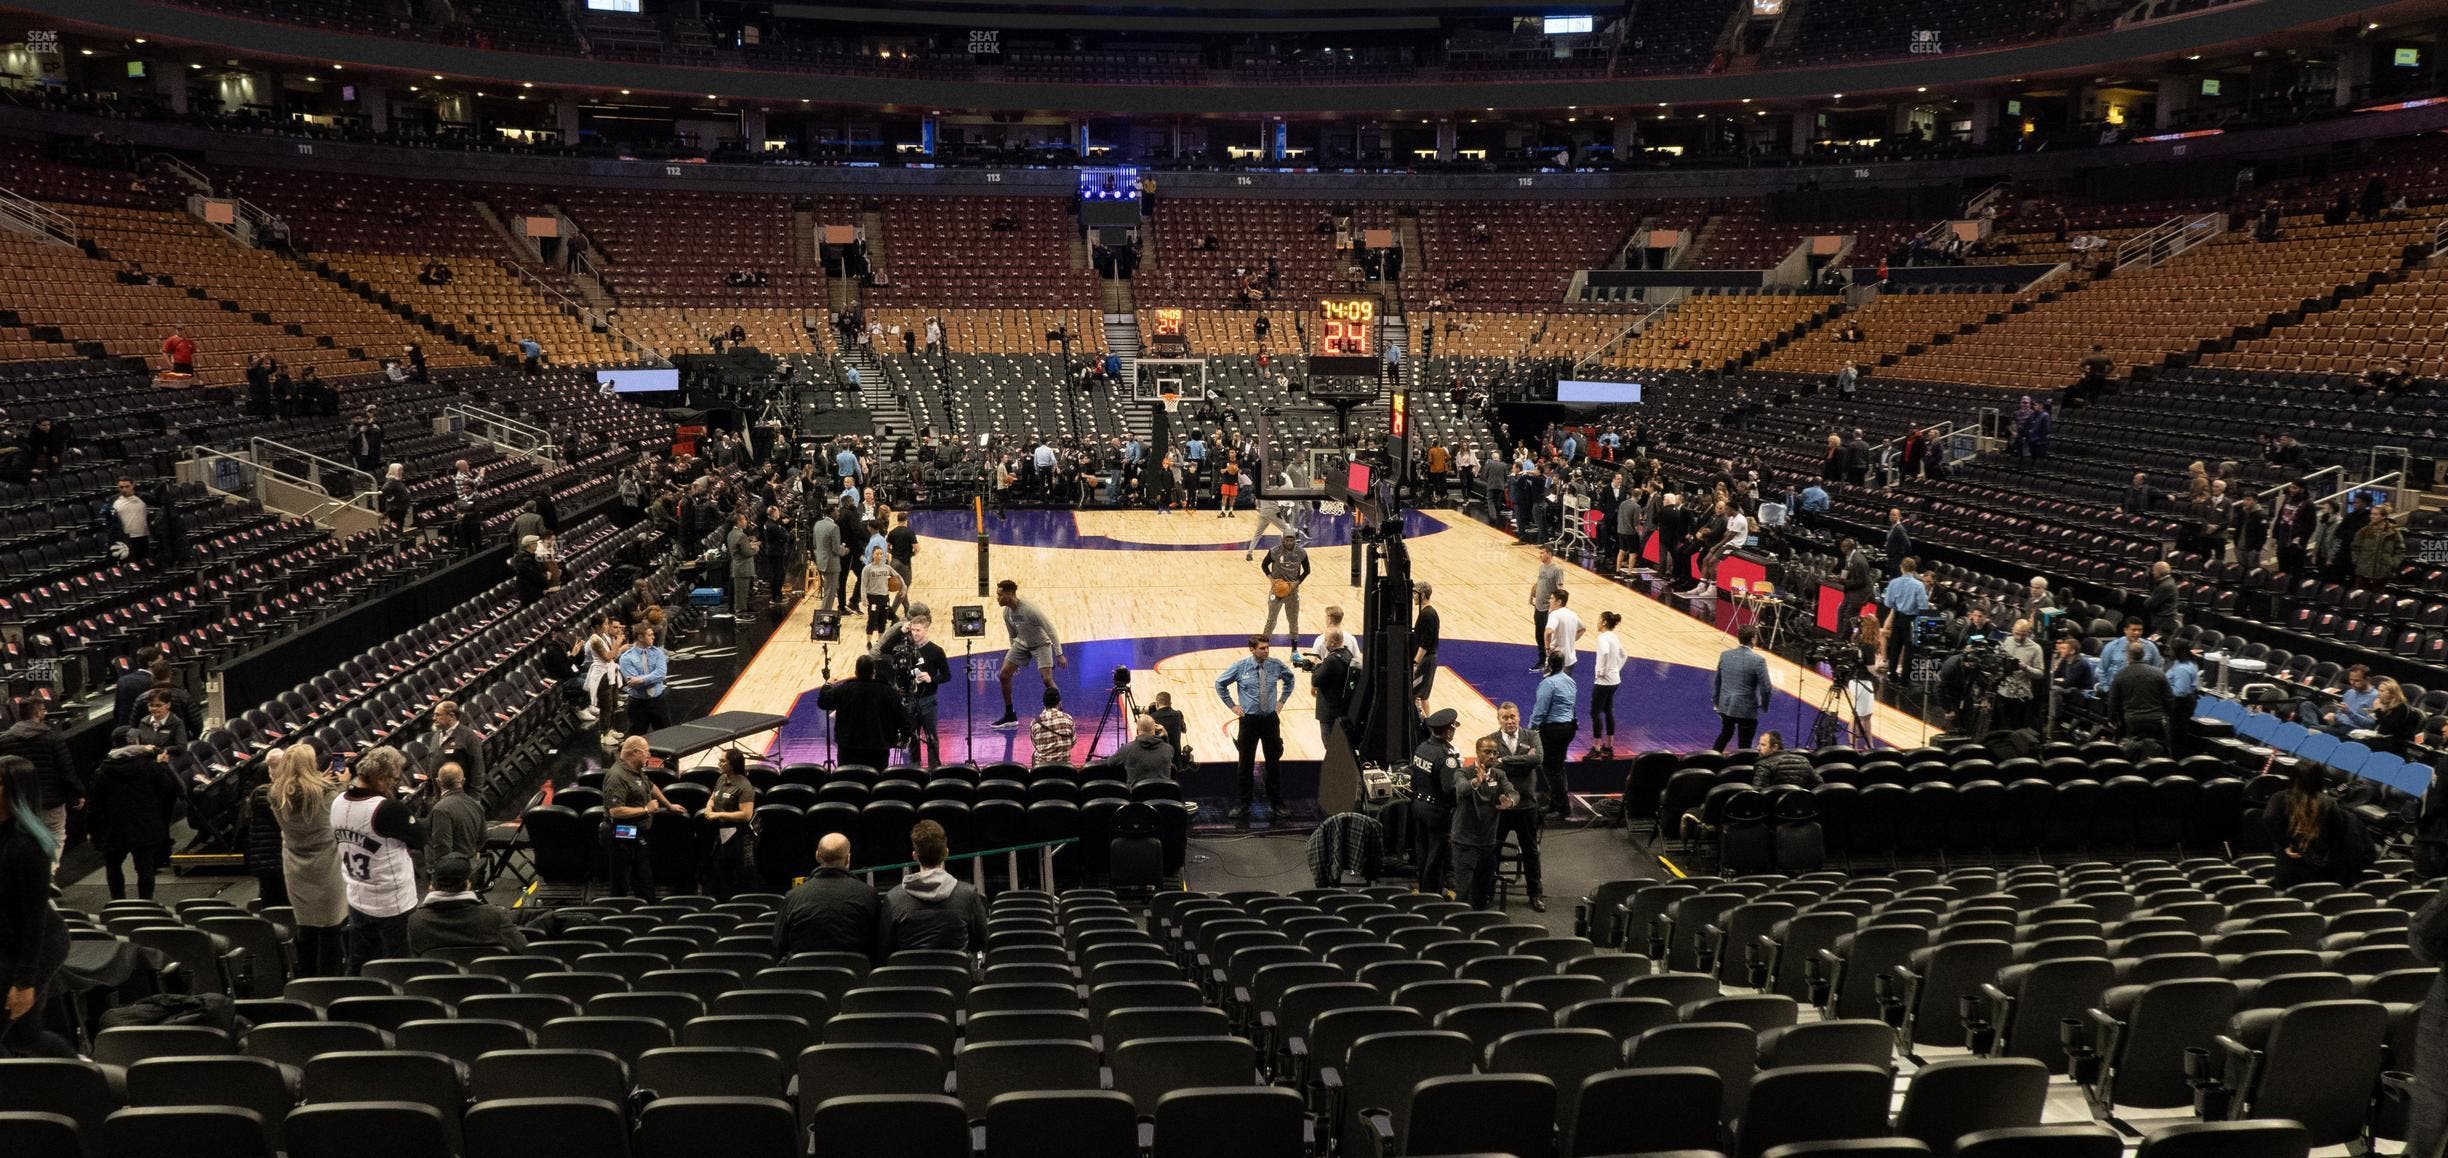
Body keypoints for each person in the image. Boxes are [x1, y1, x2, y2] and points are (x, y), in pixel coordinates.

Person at [0, 755, 68, 1058]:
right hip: (8, 941)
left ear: (14, 791)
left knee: (15, 1024)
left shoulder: (28, 847)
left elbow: (34, 920)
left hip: (38, 946)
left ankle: (83, 1075)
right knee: (24, 1035)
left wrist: (25, 981)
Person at [331, 746, 423, 971]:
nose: (395, 783)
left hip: (357, 896)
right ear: (379, 778)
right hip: (392, 902)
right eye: (393, 778)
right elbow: (420, 839)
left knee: (360, 961)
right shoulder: (388, 809)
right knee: (397, 965)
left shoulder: (338, 801)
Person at [267, 743, 347, 975]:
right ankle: (331, 979)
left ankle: (307, 977)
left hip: (295, 865)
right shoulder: (328, 793)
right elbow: (338, 807)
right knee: (331, 927)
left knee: (306, 926)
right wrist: (342, 782)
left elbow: (299, 790)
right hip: (326, 864)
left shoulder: (275, 794)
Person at [880, 820, 988, 955]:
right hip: (955, 975)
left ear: (915, 855)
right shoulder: (968, 894)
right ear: (946, 853)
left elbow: (885, 949)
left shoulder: (893, 898)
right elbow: (980, 943)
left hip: (909, 975)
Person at [602, 736, 684, 900]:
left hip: (637, 832)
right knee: (622, 877)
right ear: (635, 752)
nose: (649, 755)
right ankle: (620, 911)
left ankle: (647, 905)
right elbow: (616, 811)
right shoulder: (617, 776)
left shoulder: (635, 770)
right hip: (622, 832)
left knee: (642, 874)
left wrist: (669, 805)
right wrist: (646, 809)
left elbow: (651, 787)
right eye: (646, 752)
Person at [774, 832, 879, 958]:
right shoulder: (869, 894)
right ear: (848, 858)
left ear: (817, 856)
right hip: (855, 973)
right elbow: (878, 945)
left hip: (802, 975)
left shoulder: (792, 896)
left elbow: (779, 945)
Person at [2262, 765, 2370, 887]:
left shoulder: (2280, 798)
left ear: (2292, 777)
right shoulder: (2329, 803)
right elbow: (2336, 835)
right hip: (2319, 866)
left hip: (2289, 862)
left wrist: (2285, 844)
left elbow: (2268, 818)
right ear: (2320, 779)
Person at [406, 853, 526, 956]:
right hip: (489, 981)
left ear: (432, 886)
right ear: (468, 884)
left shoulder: (417, 921)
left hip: (439, 983)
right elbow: (523, 949)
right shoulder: (494, 916)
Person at [0, 698, 78, 856]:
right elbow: (66, 769)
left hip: (21, 802)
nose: (46, 713)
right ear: (37, 712)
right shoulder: (52, 737)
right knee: (56, 835)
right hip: (51, 801)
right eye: (43, 709)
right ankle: (48, 874)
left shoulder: (4, 739)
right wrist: (77, 792)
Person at [1450, 737, 1514, 911]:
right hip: (1465, 842)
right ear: (1477, 752)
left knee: (1482, 892)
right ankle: (1459, 928)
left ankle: (1478, 928)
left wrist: (1511, 801)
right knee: (1464, 891)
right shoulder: (1463, 772)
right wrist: (1476, 782)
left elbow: (1513, 792)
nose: (1492, 756)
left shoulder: (1499, 775)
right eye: (1487, 752)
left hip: (1488, 842)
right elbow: (1461, 789)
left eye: (1495, 752)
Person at [991, 580, 1065, 729]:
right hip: (1022, 644)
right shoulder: (1006, 613)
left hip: (1041, 644)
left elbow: (1050, 629)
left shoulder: (1030, 609)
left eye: (999, 595)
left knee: (1047, 679)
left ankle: (1059, 713)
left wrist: (1059, 654)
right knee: (1004, 675)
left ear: (1010, 594)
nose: (997, 598)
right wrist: (1013, 660)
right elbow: (1012, 635)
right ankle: (1010, 715)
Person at [819, 654, 910, 771]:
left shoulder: (844, 689)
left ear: (856, 672)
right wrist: (905, 736)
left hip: (848, 749)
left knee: (848, 781)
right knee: (876, 782)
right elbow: (902, 718)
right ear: (874, 672)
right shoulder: (888, 691)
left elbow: (823, 702)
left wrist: (828, 685)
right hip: (878, 750)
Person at [1409, 709, 1463, 896]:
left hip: (1418, 806)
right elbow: (1449, 790)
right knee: (1436, 855)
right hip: (1436, 812)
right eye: (1453, 727)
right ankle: (1431, 895)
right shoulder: (1446, 757)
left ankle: (1423, 888)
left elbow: (1413, 778)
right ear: (1448, 731)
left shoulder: (1422, 748)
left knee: (1422, 851)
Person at [1527, 649, 1577, 831]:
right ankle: (1557, 803)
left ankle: (1563, 807)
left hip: (1553, 730)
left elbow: (1540, 710)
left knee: (1550, 768)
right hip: (1568, 728)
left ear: (1548, 665)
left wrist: (1530, 731)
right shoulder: (1570, 681)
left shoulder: (1547, 684)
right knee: (1558, 766)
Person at [898, 609, 951, 768]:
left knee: (931, 736)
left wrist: (931, 678)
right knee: (912, 736)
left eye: (918, 630)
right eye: (912, 630)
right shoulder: (905, 650)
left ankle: (934, 767)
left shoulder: (936, 651)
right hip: (910, 700)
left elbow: (947, 676)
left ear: (926, 630)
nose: (915, 633)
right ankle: (915, 767)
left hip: (928, 699)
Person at [1712, 625, 1772, 751]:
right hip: (1746, 710)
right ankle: (1742, 767)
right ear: (1753, 640)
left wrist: (1717, 703)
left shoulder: (1725, 655)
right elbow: (1766, 688)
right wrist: (1765, 705)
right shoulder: (1758, 661)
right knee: (1745, 745)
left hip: (1726, 707)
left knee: (1725, 734)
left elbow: (1717, 681)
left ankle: (1710, 760)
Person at [2104, 641, 2173, 752]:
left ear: (2128, 655)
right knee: (2159, 751)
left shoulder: (2120, 675)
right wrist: (2167, 715)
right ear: (2143, 654)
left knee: (2132, 752)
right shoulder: (2158, 673)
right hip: (2155, 720)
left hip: (2132, 720)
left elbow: (2113, 701)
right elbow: (2169, 698)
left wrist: (2112, 718)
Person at [1260, 534, 1311, 656]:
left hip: (1292, 592)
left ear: (1295, 540)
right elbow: (1264, 565)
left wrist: (1296, 583)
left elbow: (1307, 570)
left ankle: (1294, 651)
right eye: (1287, 540)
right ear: (1282, 540)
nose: (1289, 542)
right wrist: (1272, 580)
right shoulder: (1275, 551)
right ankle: (1263, 648)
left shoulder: (1301, 552)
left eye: (1291, 540)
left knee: (1293, 621)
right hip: (1277, 591)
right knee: (1271, 620)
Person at [1880, 559, 1930, 675]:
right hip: (1912, 620)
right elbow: (1923, 606)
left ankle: (1891, 674)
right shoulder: (1919, 585)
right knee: (1909, 649)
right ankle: (1904, 679)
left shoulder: (1894, 582)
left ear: (1901, 567)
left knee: (1895, 647)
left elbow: (1888, 603)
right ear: (1914, 569)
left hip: (1898, 617)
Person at [620, 624, 672, 736]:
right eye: (650, 635)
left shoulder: (658, 652)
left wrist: (641, 680)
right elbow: (634, 684)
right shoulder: (626, 658)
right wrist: (649, 679)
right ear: (640, 637)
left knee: (666, 735)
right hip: (638, 704)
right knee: (636, 738)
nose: (653, 637)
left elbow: (661, 674)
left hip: (658, 701)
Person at [423, 700, 485, 793]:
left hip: (463, 795)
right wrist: (427, 792)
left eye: (438, 715)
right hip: (439, 796)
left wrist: (475, 796)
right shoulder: (436, 736)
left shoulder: (468, 736)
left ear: (451, 716)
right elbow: (431, 764)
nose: (434, 718)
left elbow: (477, 769)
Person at [1995, 619, 2045, 732]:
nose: (2019, 637)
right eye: (2016, 633)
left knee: (2018, 729)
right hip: (2003, 691)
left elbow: (2040, 673)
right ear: (2012, 629)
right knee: (2000, 728)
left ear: (2028, 633)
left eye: (2023, 634)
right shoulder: (2006, 641)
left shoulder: (2036, 648)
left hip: (2021, 695)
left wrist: (2025, 668)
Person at [1589, 611, 1626, 761]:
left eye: (1599, 620)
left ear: (1604, 622)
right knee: (1608, 710)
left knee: (1595, 712)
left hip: (1603, 681)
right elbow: (1624, 654)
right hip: (1614, 680)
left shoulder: (1603, 637)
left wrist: (1601, 671)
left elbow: (1604, 653)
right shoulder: (1614, 637)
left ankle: (1597, 746)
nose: (1597, 622)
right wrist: (1616, 669)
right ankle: (1609, 745)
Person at [1529, 548, 1562, 670]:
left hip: (1548, 609)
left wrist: (1556, 607)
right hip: (1538, 606)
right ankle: (1542, 660)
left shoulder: (1557, 569)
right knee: (1538, 634)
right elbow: (1539, 582)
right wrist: (1533, 592)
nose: (1540, 555)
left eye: (1542, 553)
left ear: (1549, 554)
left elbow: (1560, 589)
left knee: (1548, 636)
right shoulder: (1541, 567)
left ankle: (1552, 662)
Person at [1119, 715, 1175, 785]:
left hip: (1137, 794)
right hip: (1162, 794)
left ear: (1137, 731)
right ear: (1154, 729)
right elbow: (1167, 755)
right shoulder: (1168, 749)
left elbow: (1110, 763)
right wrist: (1165, 736)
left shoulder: (1127, 749)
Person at [1411, 582, 1442, 713]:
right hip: (1427, 659)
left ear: (1422, 595)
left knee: (1415, 692)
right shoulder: (1428, 612)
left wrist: (1415, 662)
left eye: (1415, 593)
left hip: (1426, 660)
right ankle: (1428, 722)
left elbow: (1426, 642)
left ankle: (1422, 723)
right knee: (1422, 695)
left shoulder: (1427, 614)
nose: (1413, 596)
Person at [107, 475, 151, 563]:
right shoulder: (113, 500)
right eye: (121, 487)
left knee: (143, 561)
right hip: (124, 538)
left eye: (127, 486)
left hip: (141, 535)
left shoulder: (143, 497)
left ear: (133, 485)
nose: (124, 489)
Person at [1030, 688, 1075, 765]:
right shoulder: (1068, 719)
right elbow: (1072, 743)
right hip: (1065, 769)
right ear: (1059, 702)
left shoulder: (1035, 723)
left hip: (1041, 771)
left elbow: (1036, 745)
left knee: (1034, 754)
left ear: (1044, 703)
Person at [1543, 587, 1584, 669]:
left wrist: (1547, 648)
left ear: (1559, 602)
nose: (1549, 601)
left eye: (1551, 599)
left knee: (1549, 681)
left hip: (1556, 658)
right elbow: (1582, 629)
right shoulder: (1573, 614)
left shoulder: (1555, 614)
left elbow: (1548, 632)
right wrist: (1571, 639)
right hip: (1570, 659)